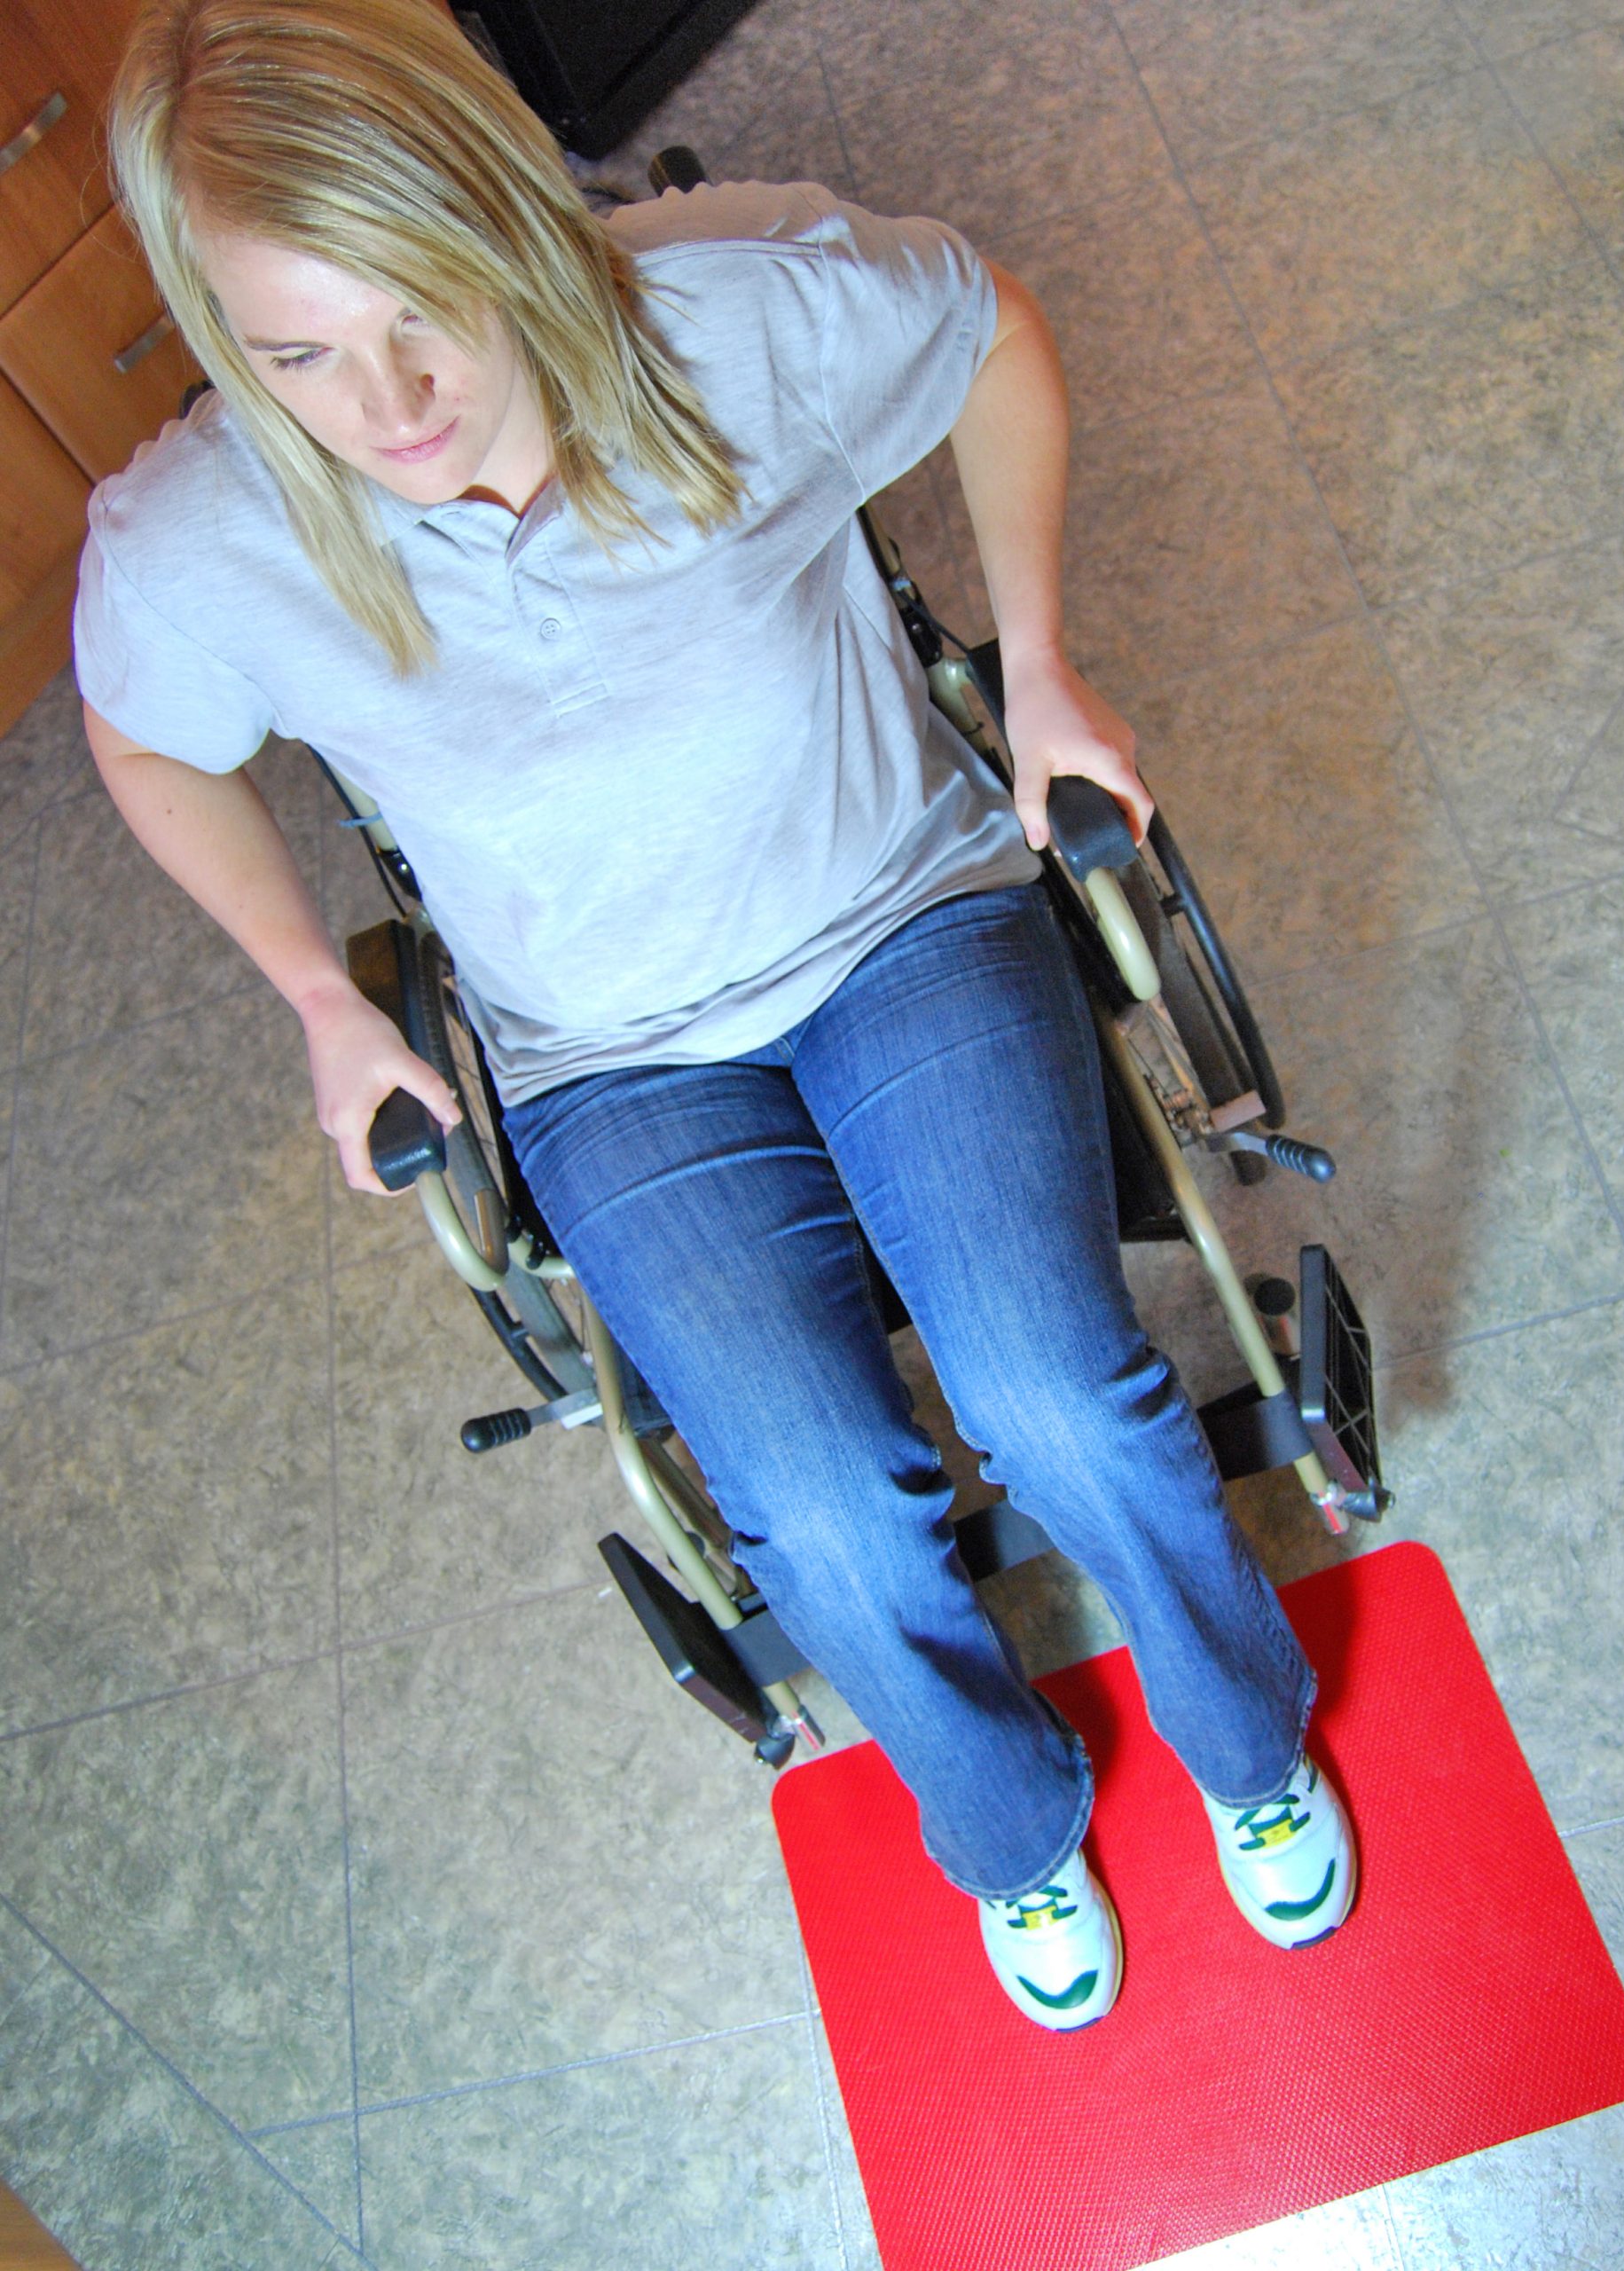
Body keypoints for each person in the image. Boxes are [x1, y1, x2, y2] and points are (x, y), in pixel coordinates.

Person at [77, 0, 1356, 2031]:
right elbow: (147, 739)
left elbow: (991, 330)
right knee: (817, 1509)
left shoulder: (726, 308)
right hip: (606, 1057)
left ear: (498, 217)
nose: (385, 405)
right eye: (297, 353)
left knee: (1049, 1389)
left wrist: (1038, 663)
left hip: (898, 914)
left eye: (418, 312)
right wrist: (318, 993)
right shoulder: (207, 533)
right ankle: (1013, 1833)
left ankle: (1247, 1739)